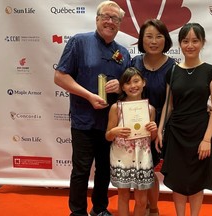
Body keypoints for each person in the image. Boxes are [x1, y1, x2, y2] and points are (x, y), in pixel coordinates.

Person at [54, 1, 131, 216]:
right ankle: (77, 212)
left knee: (104, 170)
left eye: (115, 19)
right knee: (81, 170)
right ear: (97, 19)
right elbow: (59, 77)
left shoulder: (123, 53)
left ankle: (100, 209)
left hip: (110, 124)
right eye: (106, 16)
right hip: (83, 120)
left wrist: (120, 86)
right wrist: (88, 96)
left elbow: (130, 89)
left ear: (120, 24)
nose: (110, 21)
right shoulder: (79, 42)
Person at [155, 23, 212, 216]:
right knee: (177, 180)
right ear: (180, 43)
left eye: (195, 41)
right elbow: (169, 105)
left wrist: (206, 139)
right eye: (185, 41)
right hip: (176, 132)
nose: (190, 45)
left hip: (200, 132)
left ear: (202, 43)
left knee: (196, 180)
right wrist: (160, 130)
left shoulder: (211, 71)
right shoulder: (173, 71)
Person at [131, 19, 176, 216]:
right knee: (141, 169)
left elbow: (170, 101)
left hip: (158, 123)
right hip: (134, 124)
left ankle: (154, 208)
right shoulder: (134, 62)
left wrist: (160, 129)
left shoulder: (173, 67)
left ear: (165, 40)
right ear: (142, 40)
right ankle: (146, 206)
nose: (154, 41)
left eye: (159, 36)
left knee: (149, 168)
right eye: (149, 36)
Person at [105, 67, 158, 216]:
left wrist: (153, 129)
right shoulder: (116, 108)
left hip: (143, 157)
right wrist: (114, 132)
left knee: (141, 200)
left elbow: (151, 138)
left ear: (144, 83)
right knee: (123, 196)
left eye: (136, 81)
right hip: (122, 157)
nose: (133, 86)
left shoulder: (150, 109)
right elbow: (108, 136)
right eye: (128, 83)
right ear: (122, 87)